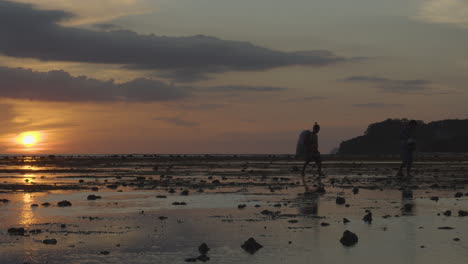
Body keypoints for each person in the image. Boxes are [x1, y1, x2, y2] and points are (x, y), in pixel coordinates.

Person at [299, 122, 323, 187]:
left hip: (315, 151)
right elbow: (308, 143)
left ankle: (319, 172)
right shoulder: (311, 135)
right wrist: (310, 150)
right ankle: (303, 172)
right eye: (317, 129)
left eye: (319, 129)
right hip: (310, 151)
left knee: (319, 162)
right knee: (307, 161)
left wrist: (316, 150)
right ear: (314, 129)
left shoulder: (316, 136)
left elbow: (316, 144)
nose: (318, 131)